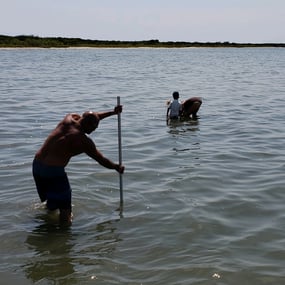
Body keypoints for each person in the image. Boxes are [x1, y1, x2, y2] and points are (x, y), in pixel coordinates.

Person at [32, 106, 125, 223]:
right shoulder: (83, 141)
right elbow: (101, 159)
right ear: (90, 125)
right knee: (65, 210)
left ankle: (48, 221)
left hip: (37, 165)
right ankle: (63, 235)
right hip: (53, 172)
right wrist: (116, 167)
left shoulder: (68, 119)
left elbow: (93, 117)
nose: (94, 130)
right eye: (94, 128)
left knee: (51, 202)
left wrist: (112, 113)